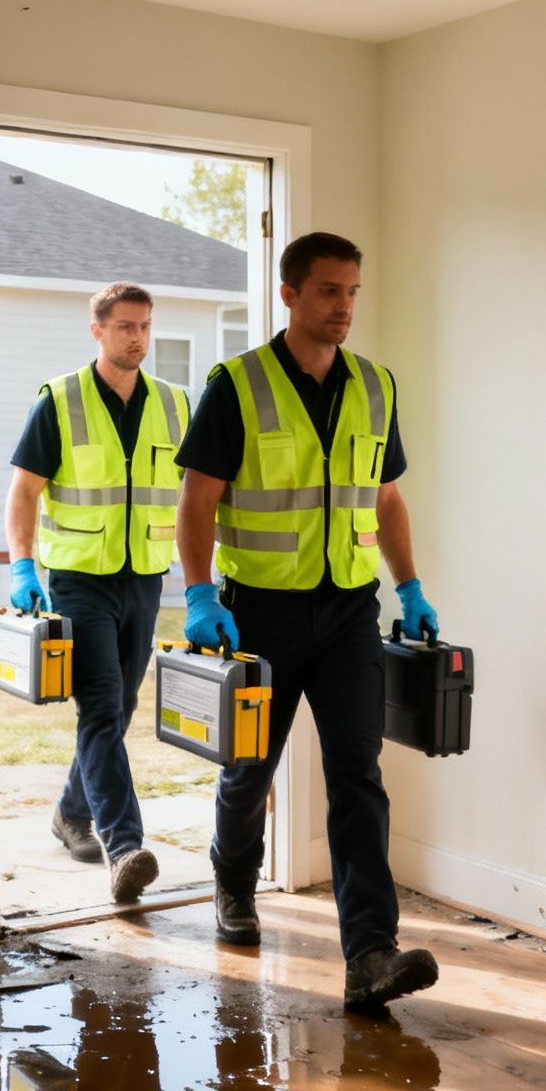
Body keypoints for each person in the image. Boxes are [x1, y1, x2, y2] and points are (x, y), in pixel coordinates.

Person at [174, 231, 441, 1011]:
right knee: (249, 769)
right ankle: (234, 886)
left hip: (351, 613)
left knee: (358, 776)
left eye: (354, 291)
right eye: (329, 290)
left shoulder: (375, 385)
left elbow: (385, 498)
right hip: (258, 612)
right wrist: (198, 594)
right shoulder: (238, 384)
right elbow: (199, 496)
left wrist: (412, 585)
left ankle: (370, 955)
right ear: (289, 294)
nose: (344, 306)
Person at [4, 281, 191, 903]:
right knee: (104, 707)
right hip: (80, 580)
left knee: (122, 709)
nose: (137, 337)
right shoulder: (60, 401)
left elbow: (196, 495)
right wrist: (23, 568)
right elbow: (24, 492)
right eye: (125, 327)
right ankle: (124, 846)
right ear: (98, 331)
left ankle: (69, 815)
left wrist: (204, 586)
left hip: (145, 577)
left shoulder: (173, 404)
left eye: (145, 326)